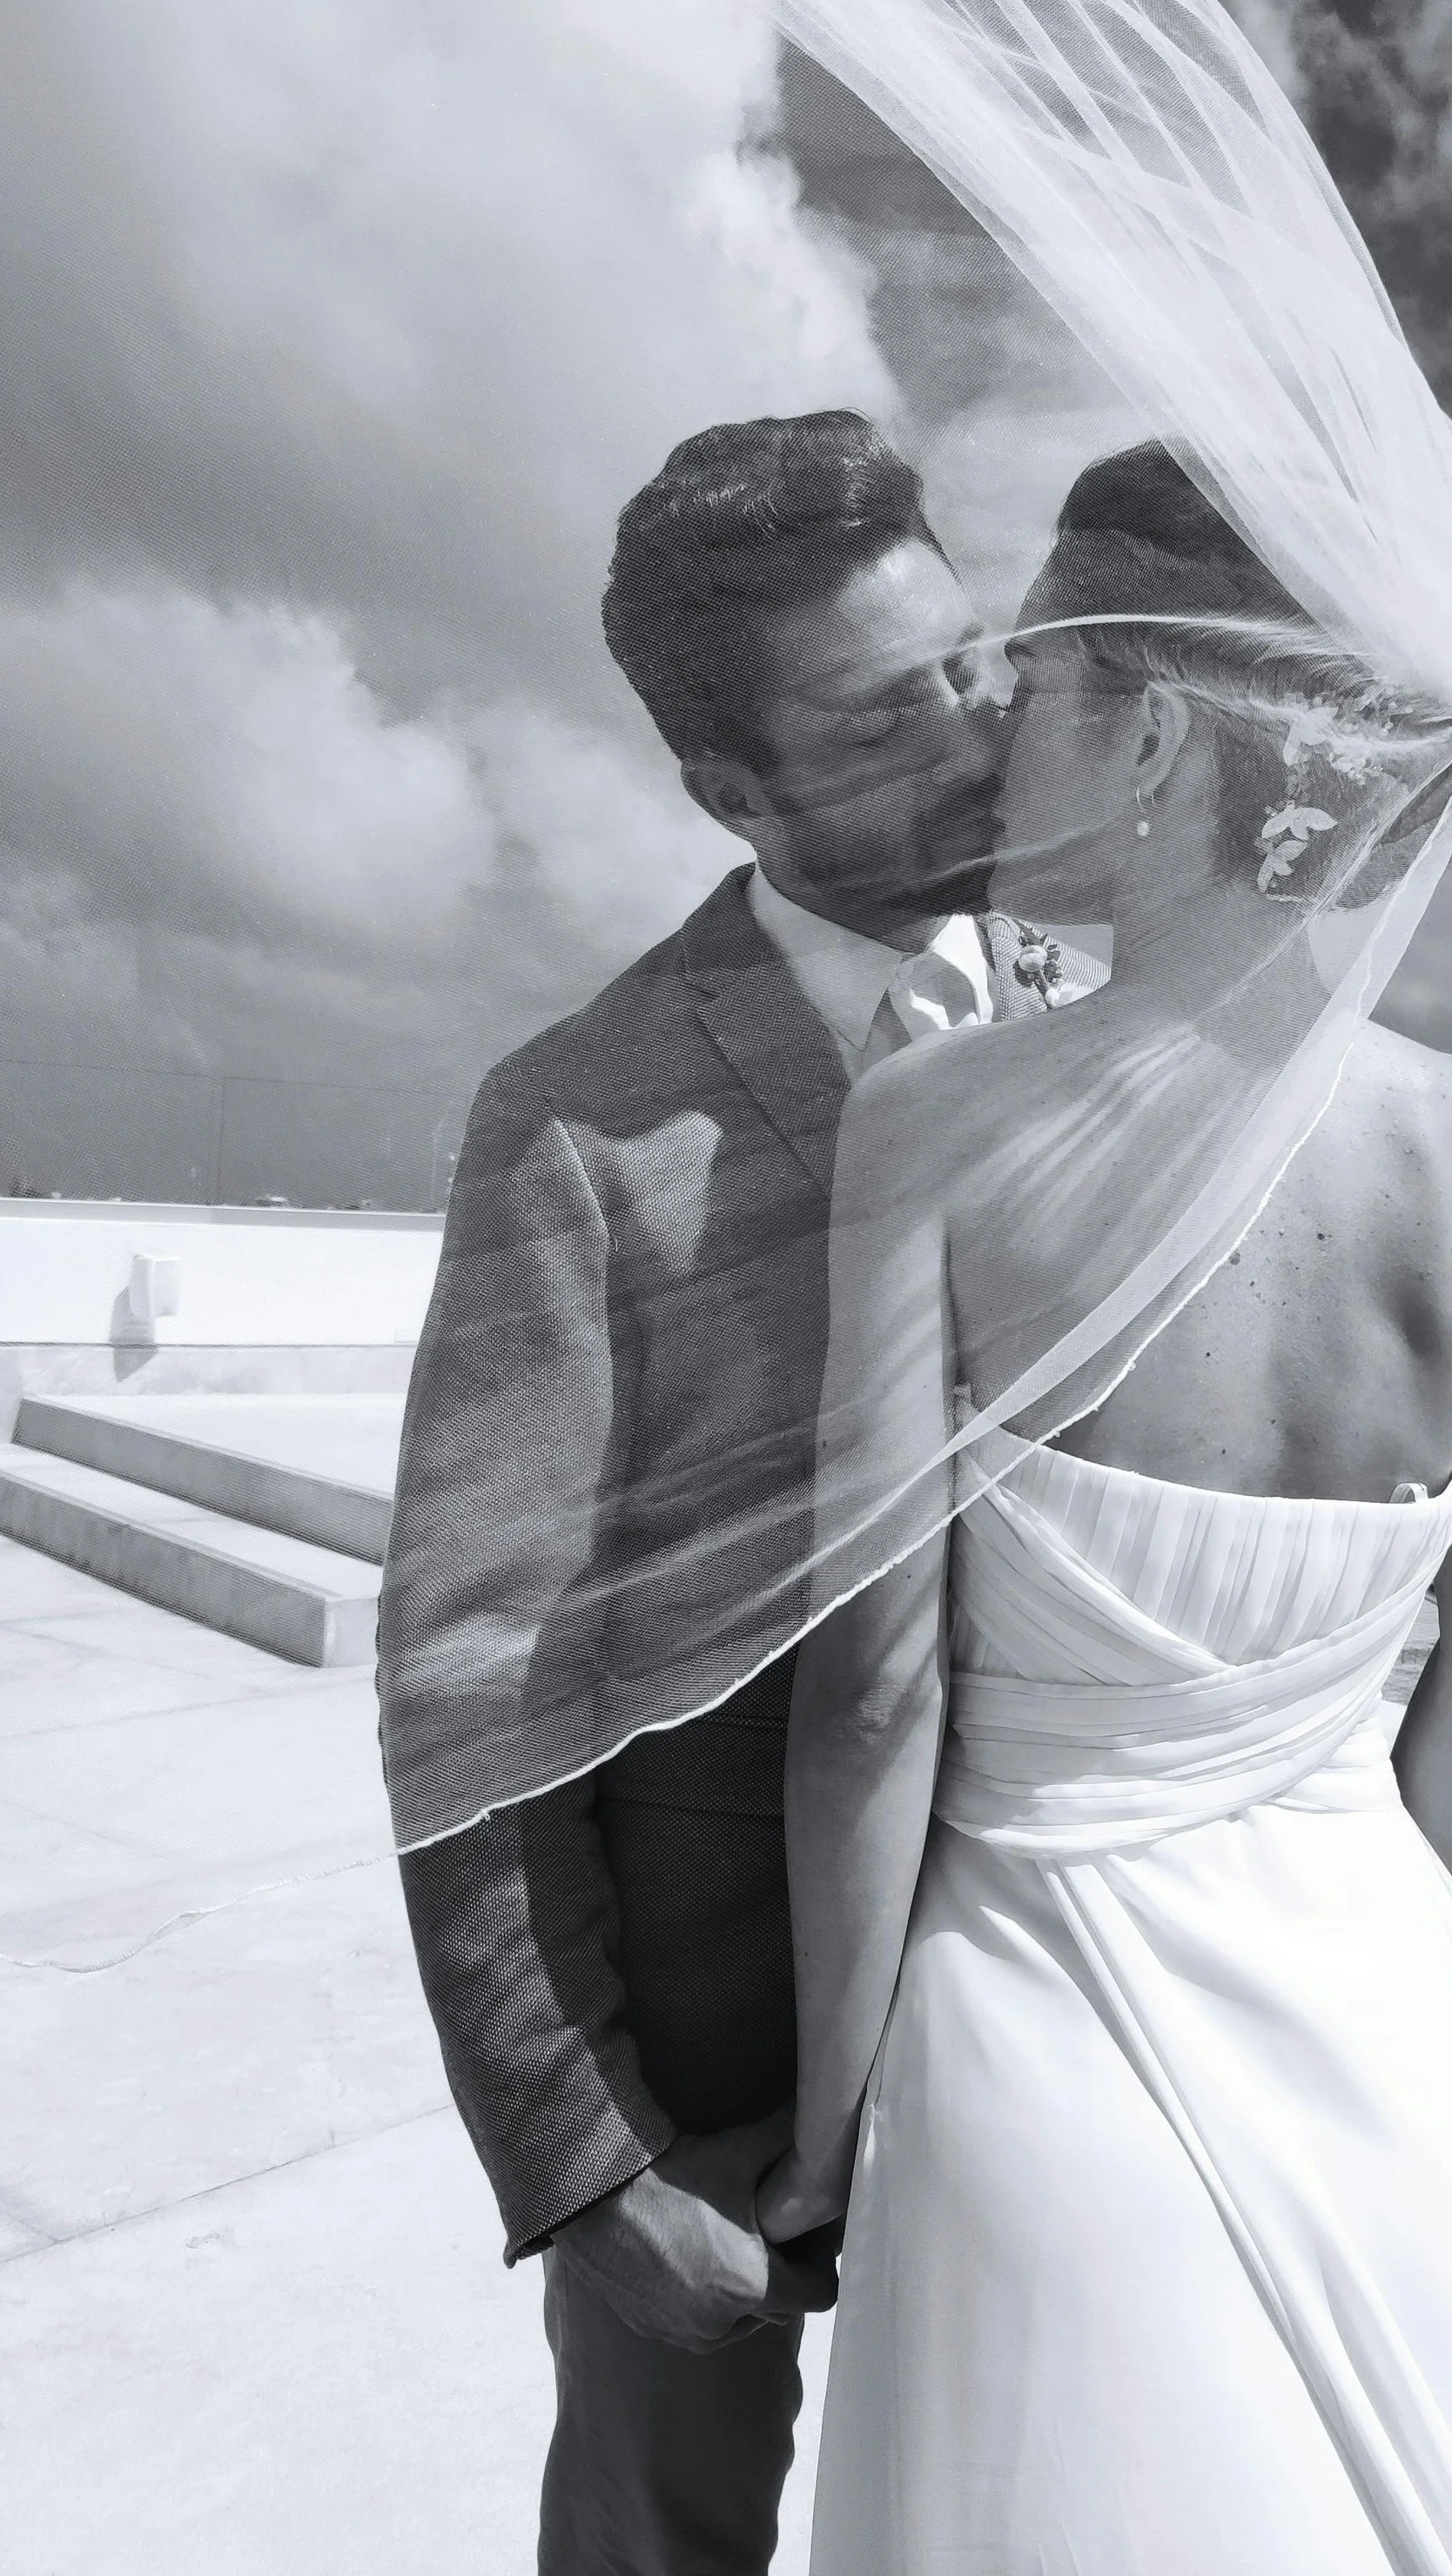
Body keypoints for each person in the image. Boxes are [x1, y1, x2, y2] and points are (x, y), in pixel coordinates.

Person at [761, 445, 1452, 2574]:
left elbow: (873, 1691)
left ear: (1157, 730)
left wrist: (818, 2141)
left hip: (1040, 2056)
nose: (1000, 724)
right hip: (1407, 2054)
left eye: (1048, 680)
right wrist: (1334, 1919)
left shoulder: (940, 1124)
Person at [381, 407, 1093, 2576]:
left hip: (1059, 2004)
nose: (987, 733)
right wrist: (588, 2158)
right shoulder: (577, 1125)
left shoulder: (1100, 1016)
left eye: (978, 664)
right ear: (730, 792)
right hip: (712, 2067)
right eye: (896, 718)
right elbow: (466, 1673)